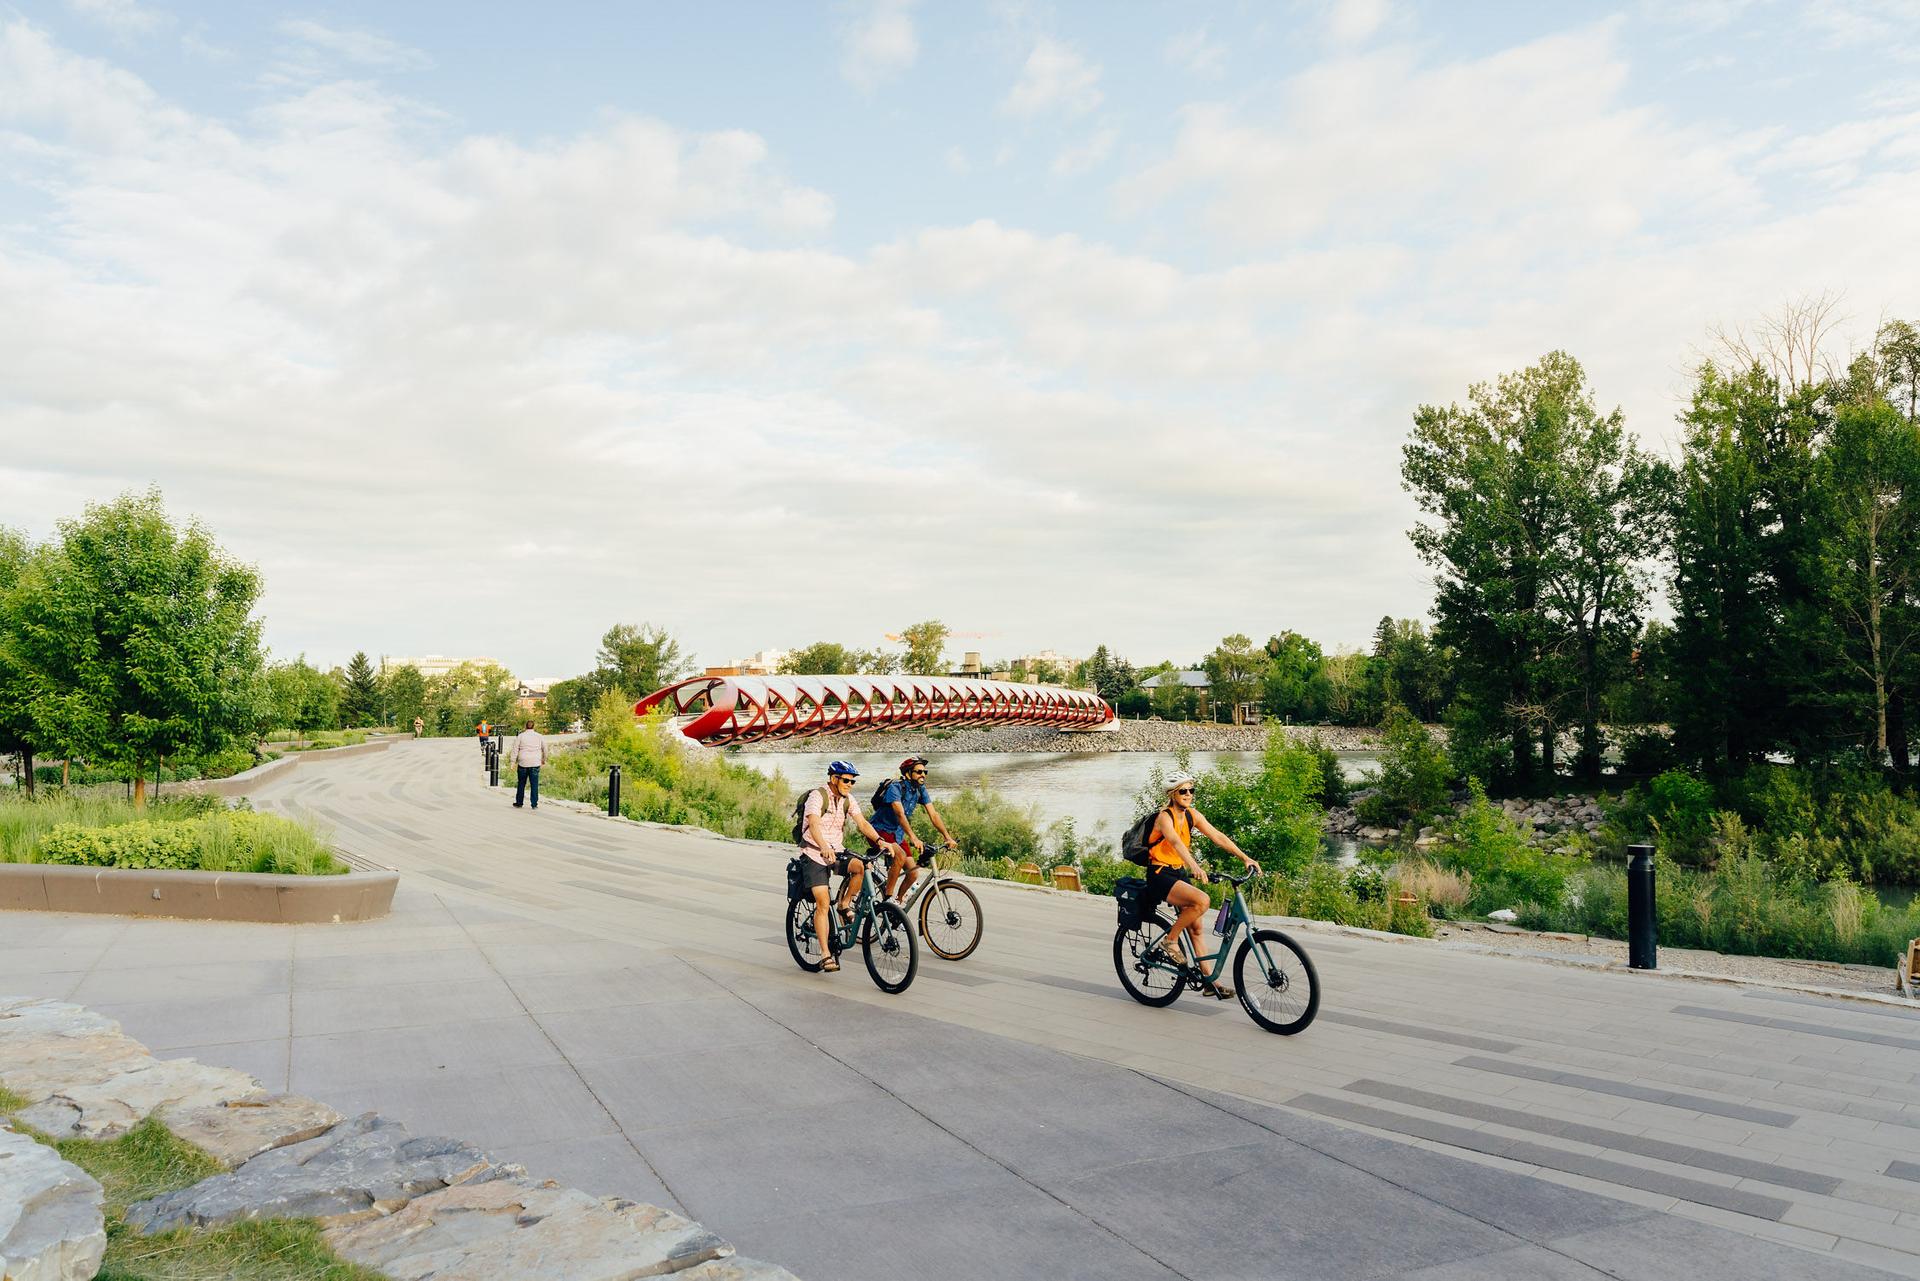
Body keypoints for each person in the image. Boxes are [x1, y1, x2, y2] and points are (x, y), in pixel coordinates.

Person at [1144, 772, 1259, 998]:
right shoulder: (1164, 817)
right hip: (1160, 873)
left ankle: (1209, 982)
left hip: (1178, 872)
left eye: (1191, 791)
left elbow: (1218, 837)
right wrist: (1195, 866)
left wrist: (1245, 857)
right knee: (1202, 901)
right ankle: (1170, 941)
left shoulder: (1192, 815)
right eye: (1183, 791)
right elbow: (1175, 842)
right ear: (1172, 794)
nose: (1188, 795)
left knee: (1196, 928)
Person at [799, 761, 900, 973]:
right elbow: (814, 825)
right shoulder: (817, 797)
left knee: (860, 868)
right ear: (834, 779)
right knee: (823, 902)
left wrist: (880, 841)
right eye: (846, 780)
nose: (850, 784)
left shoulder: (848, 799)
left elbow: (862, 823)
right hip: (814, 853)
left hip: (837, 850)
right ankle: (826, 955)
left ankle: (845, 904)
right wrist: (823, 846)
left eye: (852, 781)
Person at [868, 756, 959, 902]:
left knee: (913, 873)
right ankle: (888, 900)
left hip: (896, 834)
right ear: (908, 773)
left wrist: (946, 836)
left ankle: (897, 903)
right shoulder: (895, 787)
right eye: (919, 772)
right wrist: (913, 837)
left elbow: (934, 815)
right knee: (900, 856)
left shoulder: (920, 790)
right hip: (879, 830)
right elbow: (899, 813)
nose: (923, 775)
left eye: (925, 772)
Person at [510, 719, 546, 809]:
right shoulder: (539, 736)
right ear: (534, 726)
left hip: (523, 762)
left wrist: (512, 762)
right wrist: (543, 759)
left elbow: (515, 749)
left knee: (521, 783)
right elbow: (545, 749)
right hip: (535, 762)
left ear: (525, 726)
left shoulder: (520, 736)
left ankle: (519, 802)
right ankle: (534, 804)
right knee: (534, 784)